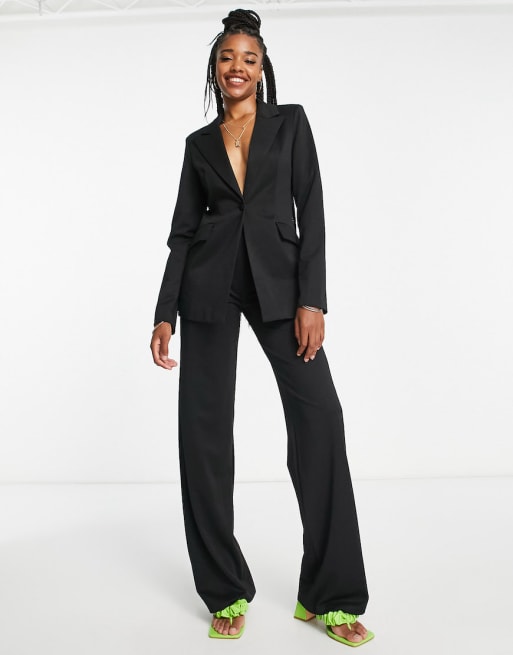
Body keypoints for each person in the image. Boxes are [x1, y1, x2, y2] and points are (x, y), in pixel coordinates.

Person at [150, 8, 374, 646]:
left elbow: (313, 206)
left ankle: (330, 594)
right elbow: (183, 233)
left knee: (319, 418)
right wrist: (164, 311)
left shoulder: (290, 123)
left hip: (282, 286)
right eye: (227, 57)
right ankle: (224, 589)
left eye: (248, 58)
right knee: (203, 433)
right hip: (208, 286)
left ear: (262, 67)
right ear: (215, 68)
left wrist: (313, 299)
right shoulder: (198, 144)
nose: (238, 66)